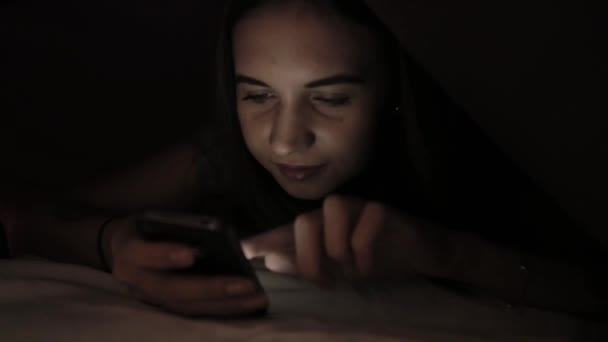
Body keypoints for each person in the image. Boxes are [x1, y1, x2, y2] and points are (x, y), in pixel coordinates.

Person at [3, 0, 606, 318]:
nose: (287, 140)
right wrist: (112, 245)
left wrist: (441, 252)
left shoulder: (494, 150)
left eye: (331, 97)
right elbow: (28, 214)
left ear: (393, 94)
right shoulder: (222, 154)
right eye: (258, 95)